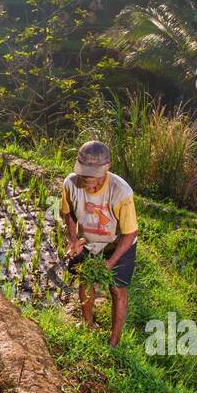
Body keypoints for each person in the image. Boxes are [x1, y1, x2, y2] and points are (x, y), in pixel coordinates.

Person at [59, 140, 138, 347]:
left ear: (107, 167)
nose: (87, 179)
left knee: (117, 289)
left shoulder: (121, 191)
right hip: (88, 241)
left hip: (118, 243)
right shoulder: (70, 184)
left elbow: (130, 233)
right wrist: (73, 240)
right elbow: (67, 213)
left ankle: (114, 341)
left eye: (92, 174)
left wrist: (110, 262)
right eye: (83, 173)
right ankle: (87, 325)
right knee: (85, 279)